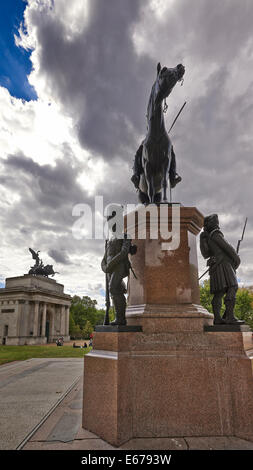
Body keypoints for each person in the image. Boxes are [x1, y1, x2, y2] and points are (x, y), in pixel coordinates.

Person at [200, 214, 244, 325]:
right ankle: (229, 317)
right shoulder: (216, 235)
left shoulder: (208, 237)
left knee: (219, 293)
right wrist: (236, 259)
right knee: (233, 287)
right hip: (223, 265)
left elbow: (206, 254)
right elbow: (228, 248)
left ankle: (218, 319)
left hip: (216, 266)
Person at [101, 212, 137, 326]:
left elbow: (124, 252)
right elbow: (104, 257)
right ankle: (119, 318)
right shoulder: (109, 240)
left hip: (120, 266)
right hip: (110, 269)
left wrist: (110, 264)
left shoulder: (125, 236)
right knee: (115, 291)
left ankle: (121, 318)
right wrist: (104, 267)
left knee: (113, 288)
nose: (111, 226)